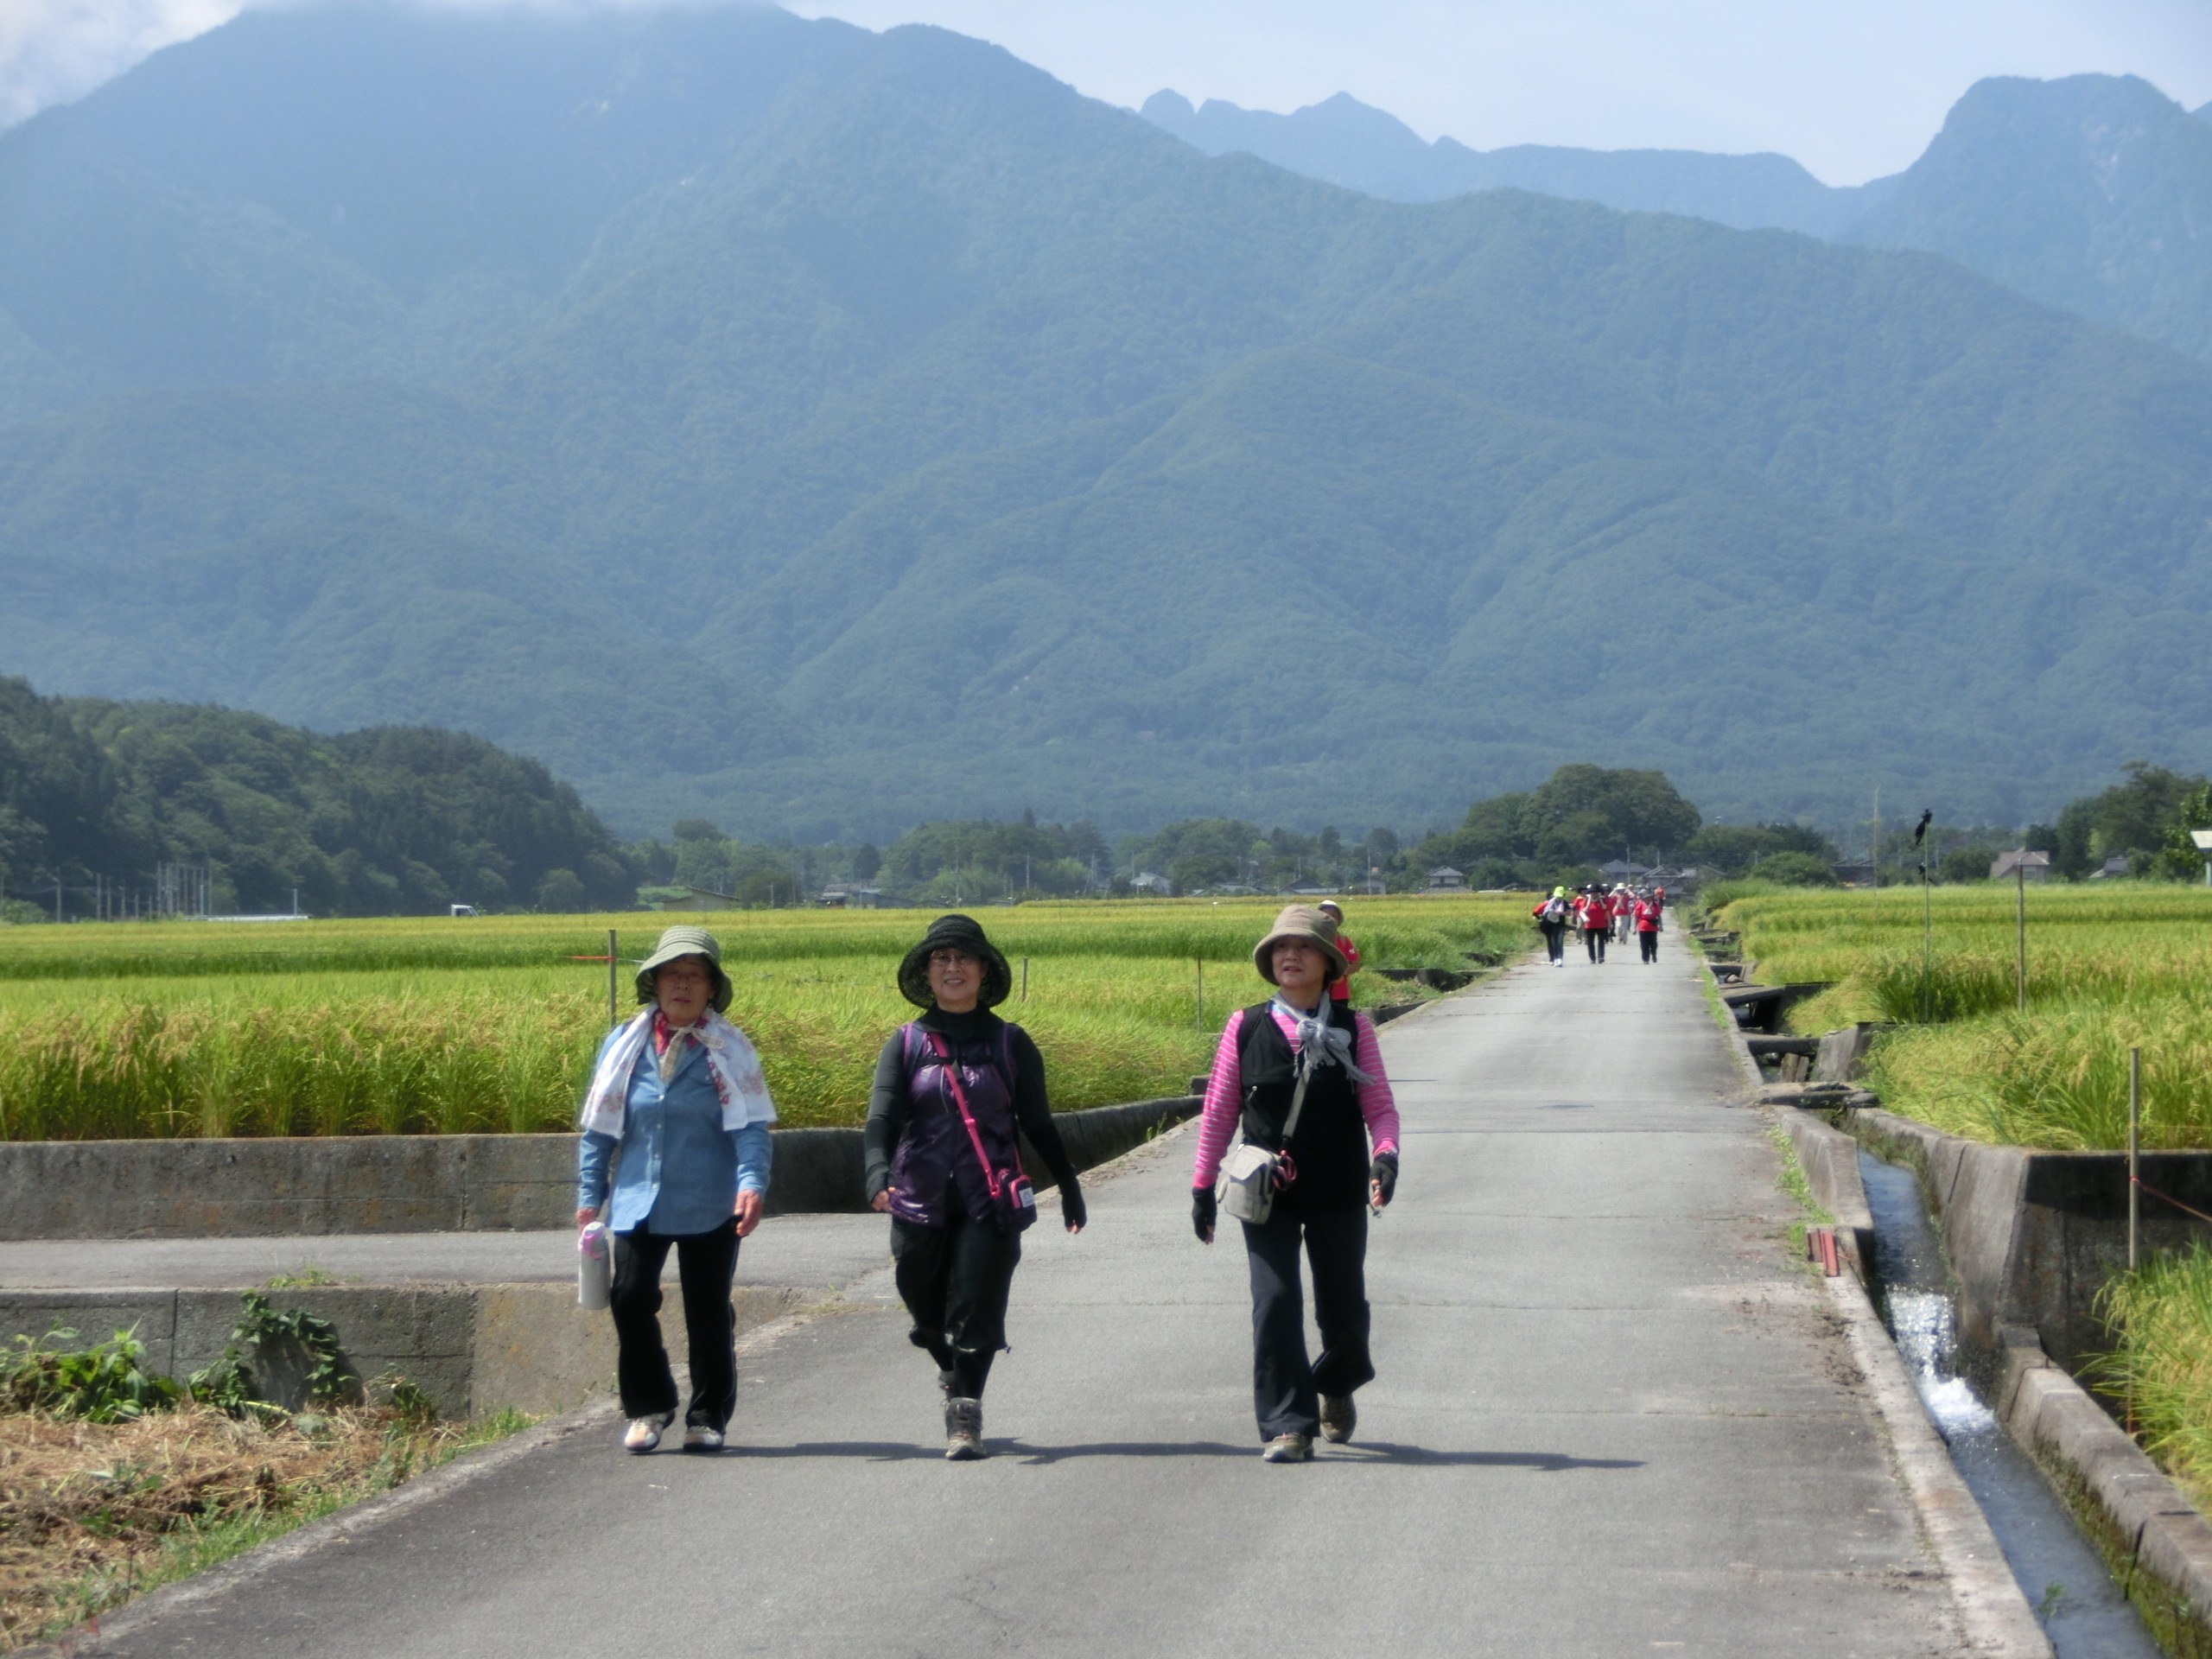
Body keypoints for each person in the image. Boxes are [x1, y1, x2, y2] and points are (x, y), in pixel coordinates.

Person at [864, 913, 1087, 1460]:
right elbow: (882, 1119)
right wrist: (875, 1174)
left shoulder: (1011, 1043)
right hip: (918, 1197)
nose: (953, 967)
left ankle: (965, 1412)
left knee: (978, 1302)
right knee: (922, 1304)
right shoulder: (907, 1042)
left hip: (990, 1199)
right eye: (941, 959)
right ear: (928, 972)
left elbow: (1039, 1124)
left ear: (984, 971)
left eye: (964, 958)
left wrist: (1070, 1187)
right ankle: (943, 1355)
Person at [1190, 905, 1401, 1462]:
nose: (1290, 955)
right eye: (1281, 948)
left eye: (1303, 948)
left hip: (1337, 1186)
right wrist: (1200, 1187)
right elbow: (1218, 1112)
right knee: (1275, 1301)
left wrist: (1386, 1158)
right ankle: (1288, 1424)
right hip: (1265, 1190)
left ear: (1328, 963)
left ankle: (1336, 1381)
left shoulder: (1353, 1029)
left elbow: (1378, 1104)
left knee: (1345, 1311)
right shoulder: (1247, 1025)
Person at [577, 925, 775, 1454]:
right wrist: (588, 1193)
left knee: (708, 1308)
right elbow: (599, 1128)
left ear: (712, 988)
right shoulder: (623, 1045)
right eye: (672, 974)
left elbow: (752, 1126)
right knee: (629, 1296)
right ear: (654, 983)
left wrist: (751, 1183)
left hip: (712, 1200)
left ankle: (707, 1415)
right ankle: (650, 1405)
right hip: (640, 1197)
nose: (682, 984)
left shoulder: (729, 1050)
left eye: (694, 975)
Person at [1316, 899, 1361, 1002]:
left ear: (1339, 919)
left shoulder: (1343, 940)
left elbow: (1356, 964)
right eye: (1324, 915)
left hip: (1340, 994)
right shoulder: (1312, 940)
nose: (1329, 918)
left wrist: (1341, 973)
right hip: (1316, 994)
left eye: (1333, 916)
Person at [1531, 886, 1570, 966]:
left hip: (1560, 925)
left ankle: (1559, 958)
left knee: (1559, 942)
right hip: (1549, 926)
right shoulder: (1548, 903)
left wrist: (1561, 913)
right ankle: (1554, 958)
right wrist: (1541, 919)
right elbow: (1535, 912)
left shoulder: (1564, 903)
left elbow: (1569, 913)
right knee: (1552, 942)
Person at [1578, 887, 1608, 963]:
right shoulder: (1586, 901)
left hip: (1601, 924)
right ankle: (1592, 958)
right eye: (1592, 892)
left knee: (1601, 941)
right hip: (1589, 925)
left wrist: (1610, 923)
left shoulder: (1602, 900)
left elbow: (1606, 911)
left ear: (1598, 893)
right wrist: (1585, 918)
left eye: (1596, 892)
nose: (1594, 894)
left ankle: (1601, 956)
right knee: (1590, 942)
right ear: (1590, 893)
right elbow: (1581, 911)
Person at [1635, 891, 1663, 963]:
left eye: (1649, 898)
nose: (1648, 899)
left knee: (1653, 943)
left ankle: (1654, 954)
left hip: (1653, 927)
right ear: (1643, 899)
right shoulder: (1640, 905)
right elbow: (1636, 916)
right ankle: (1645, 959)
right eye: (1646, 898)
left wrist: (1661, 925)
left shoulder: (1655, 905)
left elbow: (1659, 915)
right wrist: (1635, 927)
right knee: (1644, 943)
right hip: (1643, 927)